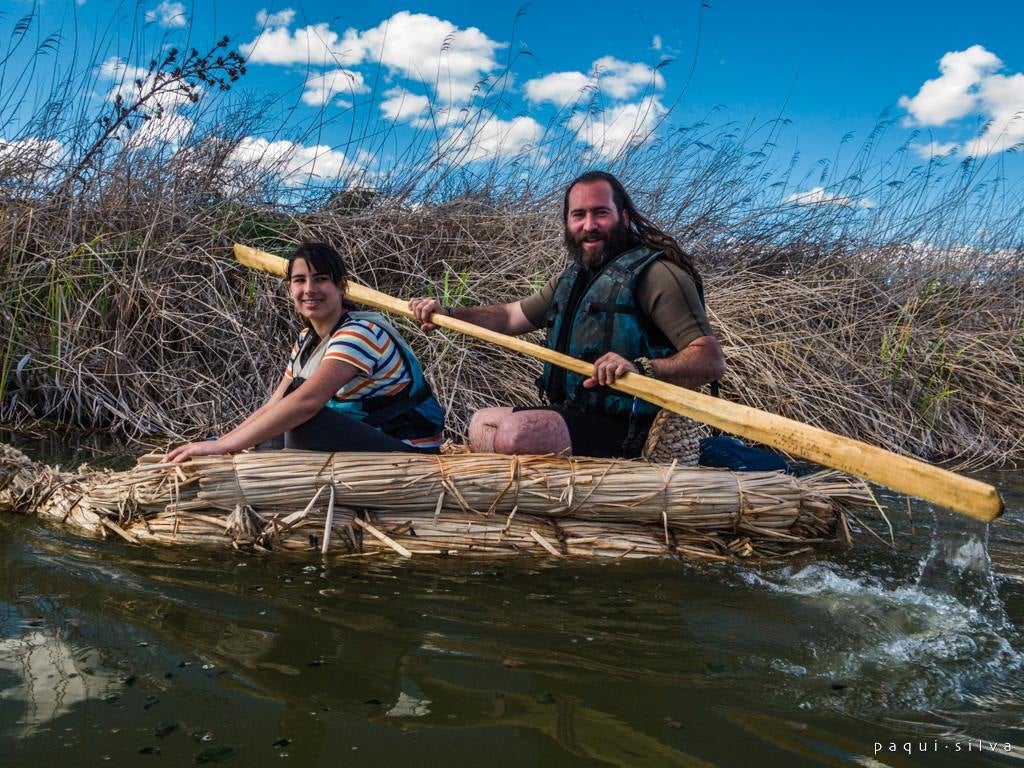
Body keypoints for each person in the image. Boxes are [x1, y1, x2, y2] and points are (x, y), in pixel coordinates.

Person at [409, 170, 725, 458]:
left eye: (601, 213)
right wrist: (447, 313)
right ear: (568, 222)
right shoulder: (570, 279)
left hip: (633, 427)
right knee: (481, 423)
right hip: (576, 412)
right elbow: (509, 317)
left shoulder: (658, 275)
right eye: (579, 215)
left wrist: (641, 368)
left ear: (624, 217)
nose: (589, 226)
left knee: (514, 433)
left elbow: (710, 361)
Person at [167, 242, 445, 464]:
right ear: (290, 289)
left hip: (408, 450)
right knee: (272, 429)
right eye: (300, 280)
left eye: (321, 279)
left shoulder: (359, 333)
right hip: (366, 439)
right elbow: (274, 404)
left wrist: (228, 445)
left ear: (341, 287)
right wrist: (219, 444)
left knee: (301, 425)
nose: (309, 289)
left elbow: (307, 402)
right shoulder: (306, 339)